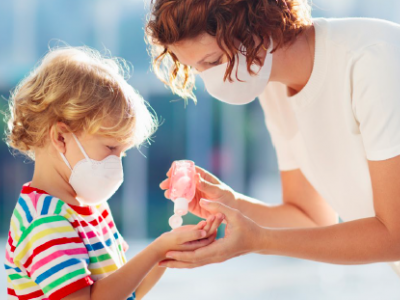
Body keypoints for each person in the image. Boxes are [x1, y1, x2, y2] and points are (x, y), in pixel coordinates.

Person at [145, 0, 400, 277]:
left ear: (257, 22)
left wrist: (260, 241)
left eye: (213, 61)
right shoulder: (272, 85)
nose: (210, 81)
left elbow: (395, 235)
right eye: (196, 69)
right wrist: (231, 204)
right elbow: (310, 220)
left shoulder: (375, 59)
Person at [3, 46, 224, 300]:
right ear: (60, 137)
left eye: (123, 152)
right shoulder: (44, 222)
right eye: (110, 147)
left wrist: (168, 250)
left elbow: (127, 290)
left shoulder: (93, 206)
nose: (117, 163)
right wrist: (157, 249)